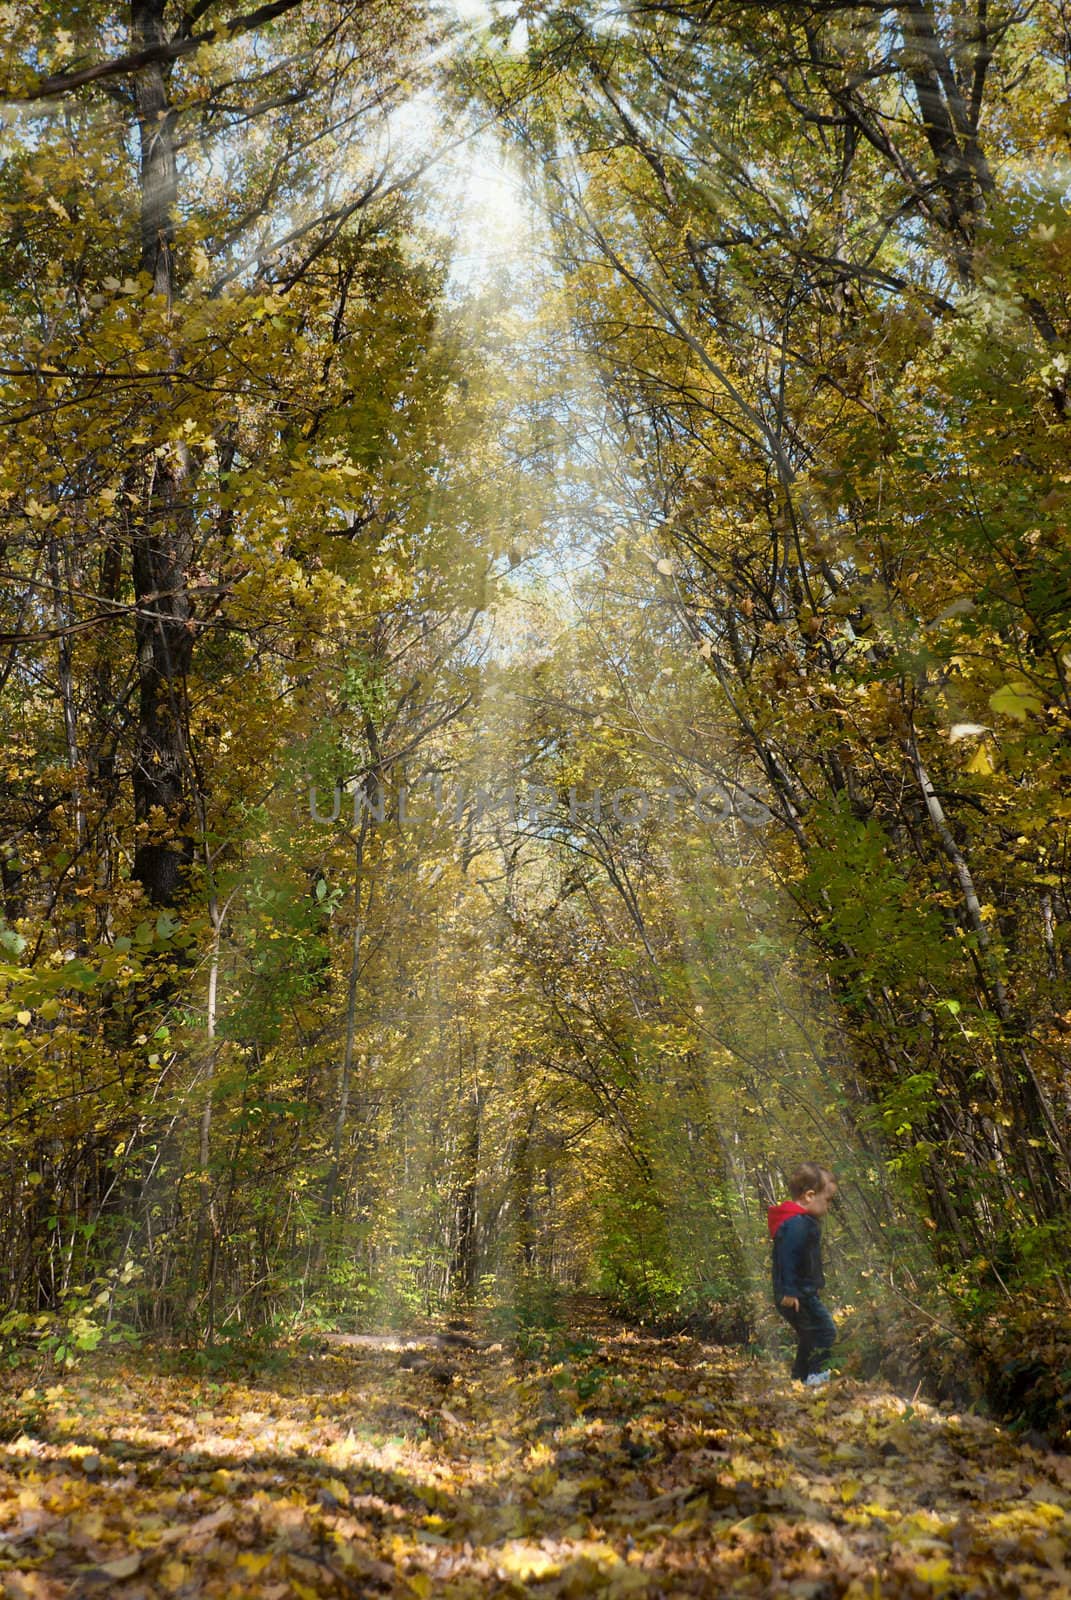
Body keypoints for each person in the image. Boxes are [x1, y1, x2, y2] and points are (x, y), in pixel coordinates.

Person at [767, 1162, 838, 1387]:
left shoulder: (798, 1221)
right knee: (825, 1332)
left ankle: (799, 1379)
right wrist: (789, 1291)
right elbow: (787, 1257)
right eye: (827, 1200)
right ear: (809, 1196)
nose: (828, 1207)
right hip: (798, 1294)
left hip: (800, 1292)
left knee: (809, 1337)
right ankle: (817, 1377)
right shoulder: (798, 1223)